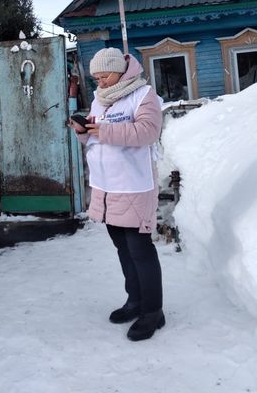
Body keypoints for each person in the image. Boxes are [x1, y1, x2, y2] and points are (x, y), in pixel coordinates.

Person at [69, 47, 164, 341]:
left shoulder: (143, 94)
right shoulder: (100, 99)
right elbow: (96, 137)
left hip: (133, 186)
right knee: (123, 249)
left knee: (140, 250)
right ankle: (135, 301)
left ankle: (153, 312)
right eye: (96, 77)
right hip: (106, 187)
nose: (101, 82)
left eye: (105, 76)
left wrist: (104, 131)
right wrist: (84, 131)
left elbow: (148, 132)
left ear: (120, 71)